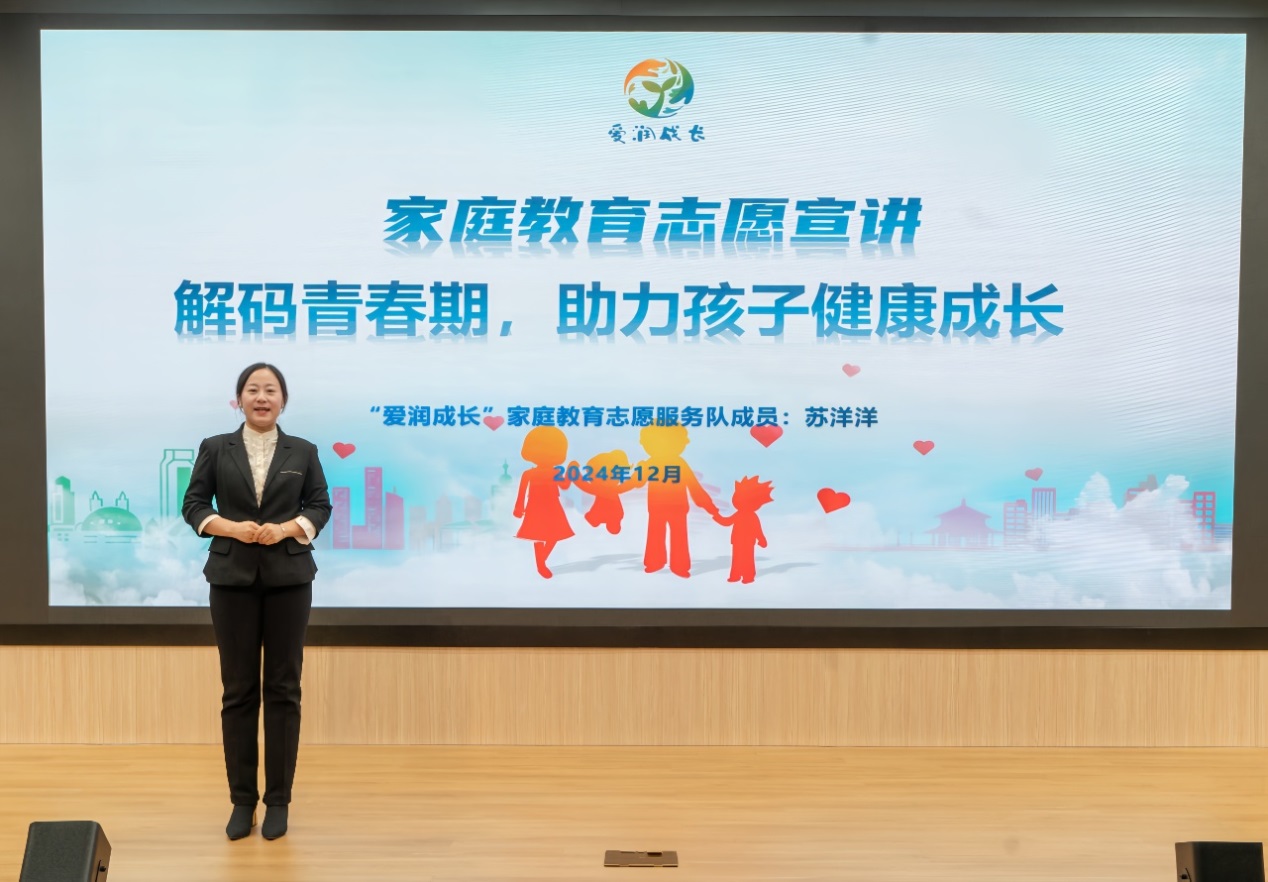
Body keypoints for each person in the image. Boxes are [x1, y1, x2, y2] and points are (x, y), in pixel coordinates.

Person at [182, 363, 331, 841]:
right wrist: (232, 528)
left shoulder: (303, 450)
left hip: (290, 579)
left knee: (284, 690)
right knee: (239, 691)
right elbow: (193, 505)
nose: (261, 397)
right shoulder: (215, 447)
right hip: (231, 579)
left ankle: (278, 801)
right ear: (239, 399)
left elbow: (320, 506)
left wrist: (286, 529)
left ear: (283, 400)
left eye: (270, 390)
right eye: (253, 389)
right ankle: (242, 801)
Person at [512, 425, 574, 579]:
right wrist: (519, 507)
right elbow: (522, 492)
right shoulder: (528, 474)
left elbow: (565, 485)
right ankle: (541, 565)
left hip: (553, 506)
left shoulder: (556, 472)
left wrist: (571, 471)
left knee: (555, 535)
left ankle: (541, 561)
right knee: (538, 535)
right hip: (535, 506)